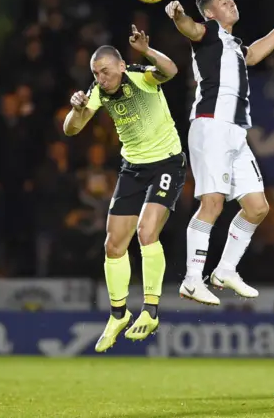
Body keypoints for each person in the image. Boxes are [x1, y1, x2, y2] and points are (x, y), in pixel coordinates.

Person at [164, 0, 274, 305]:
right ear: (210, 12)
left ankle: (225, 269)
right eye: (223, 0)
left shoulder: (231, 44)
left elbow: (254, 54)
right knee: (213, 204)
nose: (231, 2)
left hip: (235, 133)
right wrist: (177, 17)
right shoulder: (209, 32)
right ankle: (191, 279)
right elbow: (191, 29)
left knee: (258, 208)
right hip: (211, 127)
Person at [64, 25, 186, 352]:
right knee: (113, 244)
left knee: (147, 232)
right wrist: (77, 110)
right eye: (95, 74)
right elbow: (71, 129)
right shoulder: (98, 92)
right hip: (132, 169)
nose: (101, 78)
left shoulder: (139, 76)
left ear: (119, 66)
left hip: (166, 162)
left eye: (105, 71)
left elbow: (170, 70)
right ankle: (118, 314)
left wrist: (146, 50)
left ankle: (151, 309)